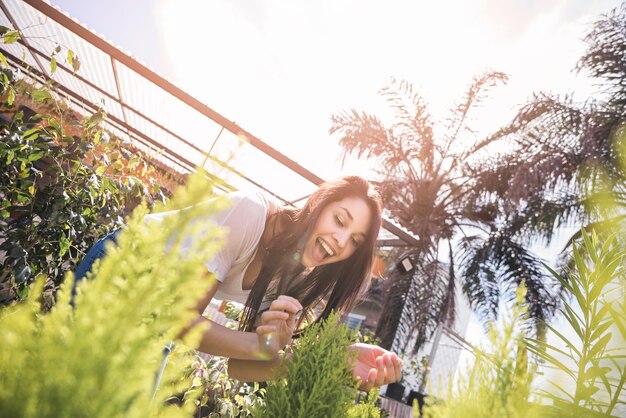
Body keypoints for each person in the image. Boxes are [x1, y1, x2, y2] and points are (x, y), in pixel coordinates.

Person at [74, 175, 402, 390]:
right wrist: (262, 347)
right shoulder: (250, 214)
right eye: (339, 220)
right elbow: (181, 320)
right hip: (121, 267)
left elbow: (240, 368)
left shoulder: (296, 274)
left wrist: (335, 362)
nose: (341, 240)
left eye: (355, 240)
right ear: (318, 205)